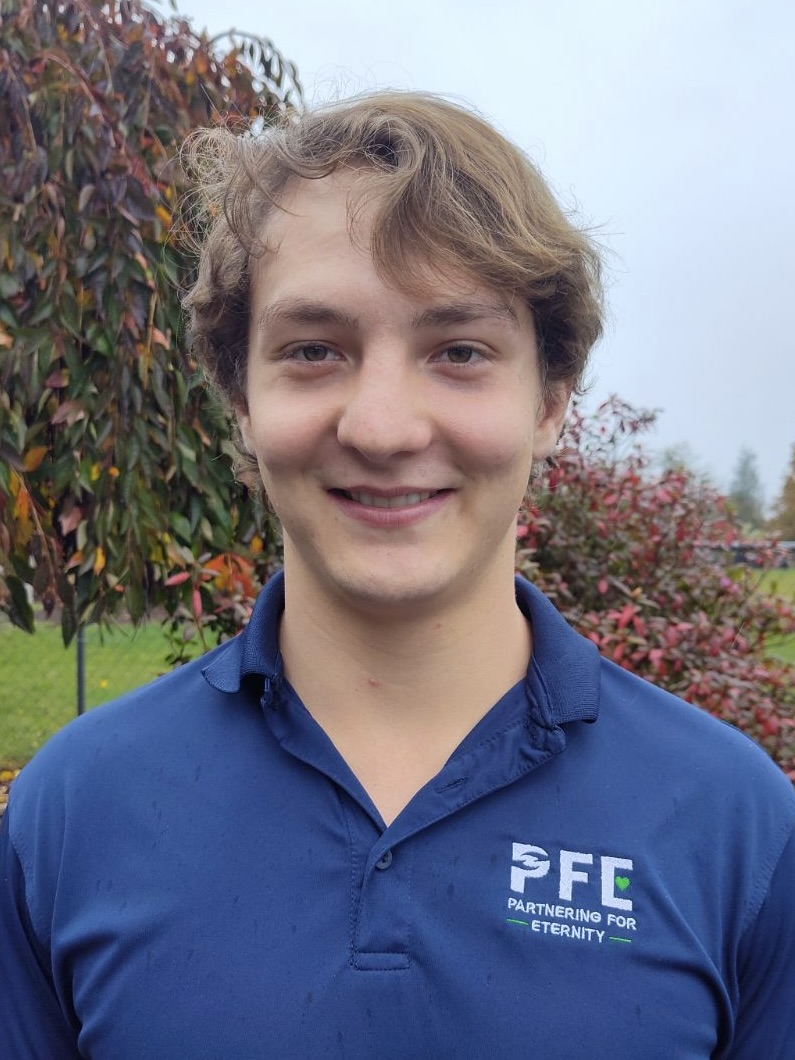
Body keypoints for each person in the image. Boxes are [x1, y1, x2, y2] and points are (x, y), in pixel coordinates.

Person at [1, 92, 794, 1060]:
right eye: (313, 351)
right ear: (240, 399)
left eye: (459, 352)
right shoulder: (75, 808)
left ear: (549, 401)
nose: (382, 427)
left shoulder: (735, 825)